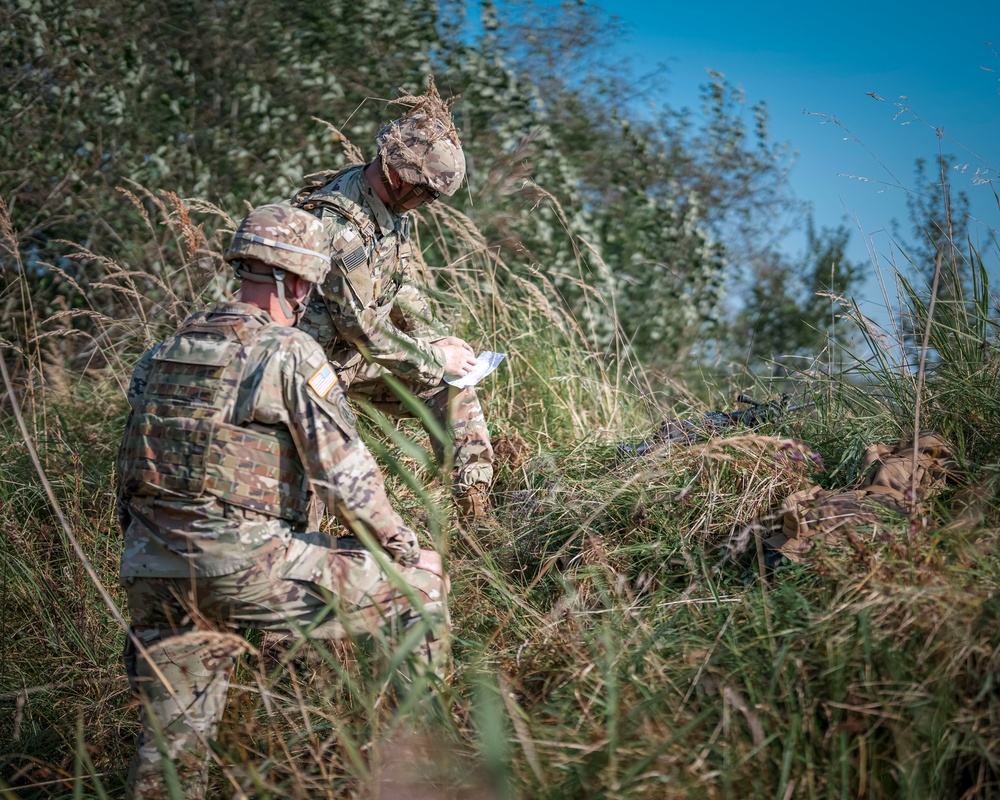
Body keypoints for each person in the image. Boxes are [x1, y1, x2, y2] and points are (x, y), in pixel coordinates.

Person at [117, 204, 449, 799]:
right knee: (422, 591)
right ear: (296, 281)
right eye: (308, 286)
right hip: (244, 570)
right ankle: (415, 772)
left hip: (151, 571)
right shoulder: (288, 351)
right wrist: (402, 548)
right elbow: (344, 479)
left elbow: (129, 473)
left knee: (168, 760)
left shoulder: (164, 350)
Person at [292, 78, 494, 521]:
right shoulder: (339, 222)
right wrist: (431, 357)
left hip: (349, 359)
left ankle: (478, 515)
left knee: (454, 389)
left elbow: (394, 286)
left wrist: (438, 341)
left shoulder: (388, 207)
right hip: (310, 371)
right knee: (314, 488)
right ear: (400, 175)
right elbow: (359, 327)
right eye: (427, 192)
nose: (428, 203)